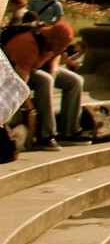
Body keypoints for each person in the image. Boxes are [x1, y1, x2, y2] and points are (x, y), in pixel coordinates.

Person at [2, 20, 81, 149]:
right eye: (60, 45)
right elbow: (20, 84)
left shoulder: (56, 44)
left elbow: (56, 55)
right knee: (46, 80)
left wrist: (53, 70)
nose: (61, 48)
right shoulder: (27, 43)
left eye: (64, 46)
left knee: (75, 81)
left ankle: (69, 132)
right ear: (51, 37)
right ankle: (46, 136)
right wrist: (30, 110)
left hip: (35, 66)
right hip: (13, 72)